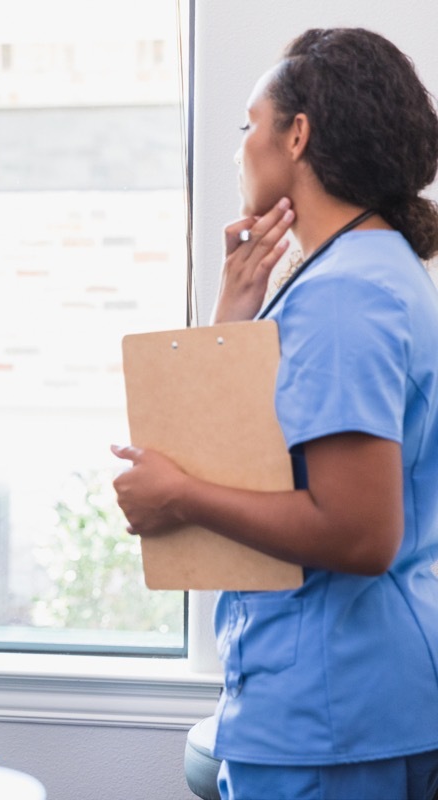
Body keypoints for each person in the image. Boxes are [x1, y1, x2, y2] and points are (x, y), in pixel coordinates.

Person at [112, 28, 438, 800]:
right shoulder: (362, 271)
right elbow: (246, 455)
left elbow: (359, 533)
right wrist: (235, 316)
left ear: (298, 135)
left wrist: (178, 496)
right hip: (349, 697)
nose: (239, 149)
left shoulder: (342, 298)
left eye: (248, 125)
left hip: (334, 714)